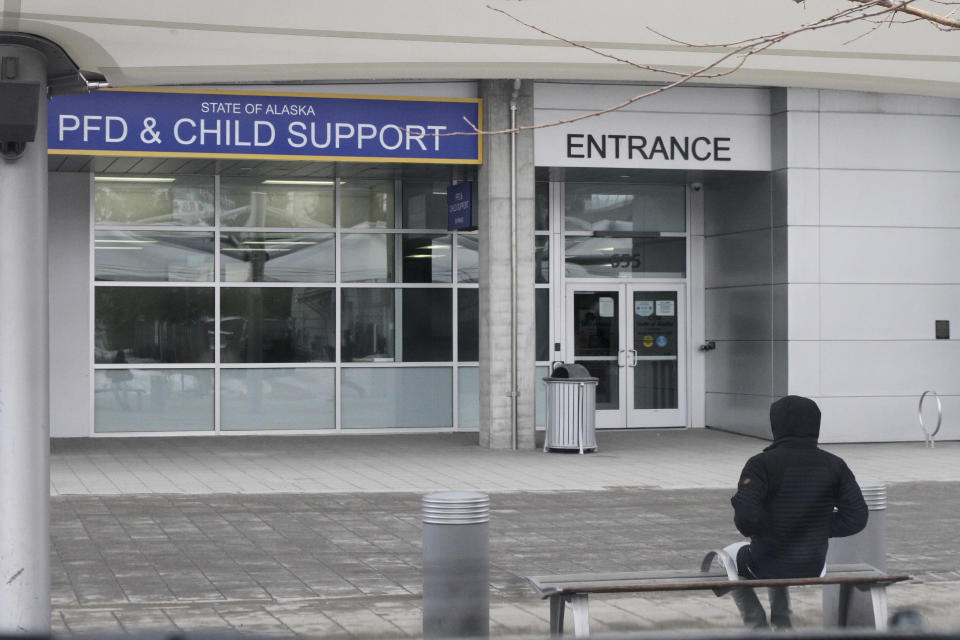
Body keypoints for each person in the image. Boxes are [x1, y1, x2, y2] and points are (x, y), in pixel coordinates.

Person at [725, 395, 868, 630]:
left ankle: (757, 626)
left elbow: (746, 521)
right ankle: (784, 623)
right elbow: (857, 517)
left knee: (727, 560)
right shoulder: (835, 465)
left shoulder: (761, 464)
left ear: (777, 425)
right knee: (777, 556)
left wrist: (778, 527)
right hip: (814, 564)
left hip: (767, 563)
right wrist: (815, 526)